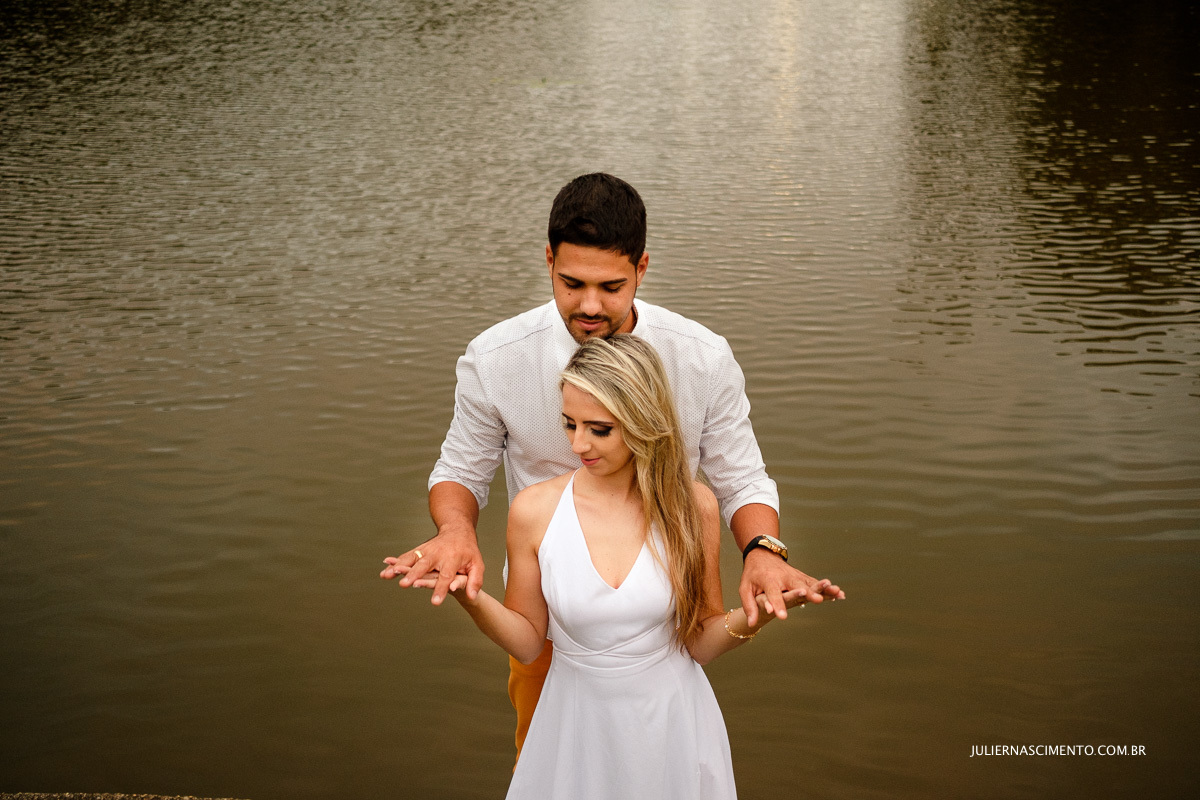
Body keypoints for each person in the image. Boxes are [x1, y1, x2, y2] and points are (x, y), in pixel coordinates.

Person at [382, 172, 844, 759]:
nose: (590, 305)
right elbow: (461, 469)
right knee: (550, 761)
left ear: (642, 268)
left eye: (611, 285)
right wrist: (455, 531)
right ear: (548, 260)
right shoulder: (495, 358)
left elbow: (741, 478)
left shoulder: (701, 357)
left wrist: (763, 552)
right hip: (552, 616)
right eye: (571, 283)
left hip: (660, 617)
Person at [386, 335, 841, 799]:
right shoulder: (534, 510)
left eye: (598, 429)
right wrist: (470, 595)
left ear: (642, 422)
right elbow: (526, 642)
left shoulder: (693, 506)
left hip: (672, 725)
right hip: (575, 723)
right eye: (569, 424)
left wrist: (757, 615)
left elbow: (701, 643)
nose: (578, 443)